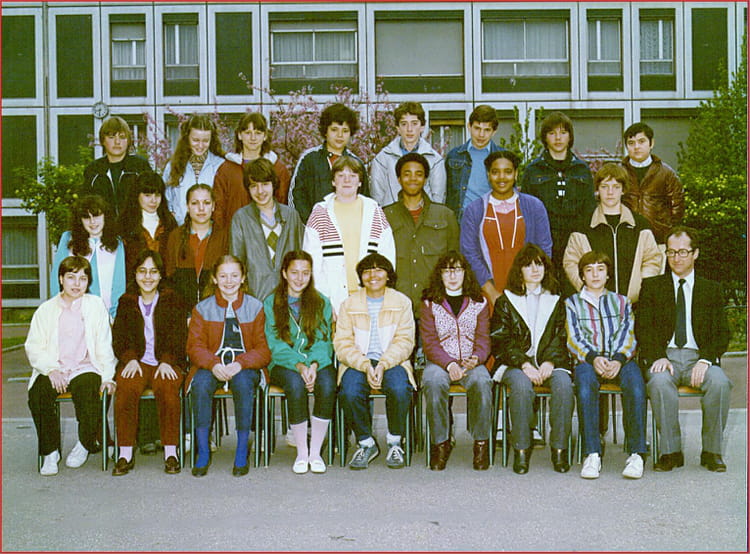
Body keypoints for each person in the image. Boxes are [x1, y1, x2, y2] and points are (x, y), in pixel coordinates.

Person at [637, 226, 731, 472]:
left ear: (695, 253)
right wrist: (657, 356)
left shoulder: (711, 289)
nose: (676, 258)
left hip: (698, 358)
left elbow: (722, 333)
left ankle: (711, 451)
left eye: (682, 252)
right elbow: (643, 329)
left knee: (720, 383)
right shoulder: (652, 287)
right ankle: (671, 452)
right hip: (665, 357)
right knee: (659, 383)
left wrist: (706, 360)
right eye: (671, 252)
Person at [26, 256, 117, 476]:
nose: (77, 284)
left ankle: (84, 443)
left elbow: (105, 345)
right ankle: (50, 452)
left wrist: (108, 376)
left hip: (85, 366)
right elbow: (33, 347)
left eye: (83, 279)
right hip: (54, 367)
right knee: (38, 394)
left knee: (89, 389)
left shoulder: (95, 306)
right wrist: (50, 369)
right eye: (71, 277)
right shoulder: (46, 310)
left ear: (88, 282)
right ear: (61, 279)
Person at [186, 255, 271, 477]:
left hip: (244, 366)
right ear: (214, 279)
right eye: (223, 276)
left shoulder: (255, 307)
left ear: (243, 278)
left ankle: (242, 449)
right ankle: (203, 450)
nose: (229, 281)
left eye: (234, 275)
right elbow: (194, 347)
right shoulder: (202, 308)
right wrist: (213, 364)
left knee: (243, 383)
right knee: (200, 384)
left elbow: (263, 350)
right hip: (212, 364)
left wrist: (240, 363)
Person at [491, 244, 573, 474]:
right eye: (528, 265)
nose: (535, 269)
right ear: (520, 270)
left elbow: (561, 336)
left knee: (564, 385)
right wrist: (525, 364)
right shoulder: (505, 301)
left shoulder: (556, 300)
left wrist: (550, 362)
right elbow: (501, 340)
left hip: (549, 362)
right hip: (515, 363)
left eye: (539, 264)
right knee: (521, 386)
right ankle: (521, 449)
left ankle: (559, 449)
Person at [565, 251, 646, 480]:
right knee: (584, 387)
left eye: (600, 269)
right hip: (588, 360)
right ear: (582, 275)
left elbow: (628, 333)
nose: (595, 275)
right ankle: (592, 453)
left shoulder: (621, 302)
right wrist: (593, 358)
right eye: (589, 270)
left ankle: (637, 453)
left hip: (620, 359)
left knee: (636, 385)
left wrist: (618, 359)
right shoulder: (572, 303)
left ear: (608, 274)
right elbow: (573, 338)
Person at [335, 253, 416, 470]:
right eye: (367, 270)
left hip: (393, 361)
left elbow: (405, 341)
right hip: (357, 362)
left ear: (388, 275)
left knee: (399, 388)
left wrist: (382, 364)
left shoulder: (402, 302)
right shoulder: (349, 304)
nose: (373, 275)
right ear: (360, 276)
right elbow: (342, 344)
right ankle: (365, 443)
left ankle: (395, 441)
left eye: (379, 269)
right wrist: (364, 365)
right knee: (349, 391)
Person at [111, 250, 186, 476]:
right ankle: (125, 453)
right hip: (137, 361)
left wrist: (168, 360)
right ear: (135, 274)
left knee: (167, 389)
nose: (147, 277)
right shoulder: (126, 301)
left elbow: (179, 336)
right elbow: (119, 337)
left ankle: (171, 452)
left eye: (153, 272)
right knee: (126, 387)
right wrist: (129, 358)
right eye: (142, 271)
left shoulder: (172, 299)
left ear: (161, 275)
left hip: (166, 361)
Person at [264, 251, 335, 474]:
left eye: (305, 273)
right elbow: (274, 343)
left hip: (316, 362)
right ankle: (302, 453)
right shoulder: (270, 302)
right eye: (294, 272)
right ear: (284, 273)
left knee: (327, 384)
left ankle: (315, 453)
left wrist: (313, 365)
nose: (300, 278)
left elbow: (324, 340)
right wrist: (299, 365)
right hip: (283, 364)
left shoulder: (321, 301)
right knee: (295, 385)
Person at [420, 251, 493, 471]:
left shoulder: (479, 301)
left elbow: (484, 338)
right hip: (440, 361)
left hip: (471, 361)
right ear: (440, 274)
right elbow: (429, 342)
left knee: (482, 381)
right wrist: (449, 364)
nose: (452, 276)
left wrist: (476, 358)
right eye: (447, 270)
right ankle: (440, 443)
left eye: (457, 270)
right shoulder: (429, 302)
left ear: (465, 273)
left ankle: (481, 443)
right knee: (433, 381)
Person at [303, 156, 395, 315]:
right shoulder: (320, 212)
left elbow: (387, 255)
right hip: (332, 297)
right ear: (333, 181)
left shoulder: (374, 211)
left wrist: (381, 291)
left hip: (370, 295)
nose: (347, 180)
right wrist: (323, 301)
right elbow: (312, 261)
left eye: (352, 176)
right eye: (341, 175)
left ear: (360, 182)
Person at [461, 150, 552, 307]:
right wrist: (490, 292)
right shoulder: (474, 210)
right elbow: (469, 252)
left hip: (528, 290)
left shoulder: (534, 206)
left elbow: (544, 249)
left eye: (508, 172)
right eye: (495, 172)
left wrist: (531, 286)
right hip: (487, 292)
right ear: (488, 175)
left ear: (516, 174)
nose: (501, 177)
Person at [563, 163, 663, 304]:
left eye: (616, 187)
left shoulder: (639, 225)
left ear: (623, 190)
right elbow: (571, 262)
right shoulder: (582, 226)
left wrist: (641, 288)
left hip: (633, 305)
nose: (610, 192)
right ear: (597, 189)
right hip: (595, 305)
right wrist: (588, 290)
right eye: (604, 187)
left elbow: (652, 259)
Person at [519, 111, 595, 291]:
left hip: (575, 245)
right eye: (552, 133)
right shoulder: (533, 170)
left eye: (563, 132)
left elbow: (589, 209)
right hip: (544, 245)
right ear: (545, 138)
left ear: (570, 136)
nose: (558, 138)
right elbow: (526, 212)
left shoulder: (582, 169)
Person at [383, 152, 459, 312]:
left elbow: (455, 260)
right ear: (398, 179)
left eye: (418, 174)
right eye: (407, 174)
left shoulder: (445, 215)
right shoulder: (385, 215)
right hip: (396, 304)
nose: (413, 179)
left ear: (425, 179)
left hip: (436, 304)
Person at [230, 158, 304, 301]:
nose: (260, 191)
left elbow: (301, 256)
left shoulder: (291, 216)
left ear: (273, 184)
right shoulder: (241, 218)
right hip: (255, 298)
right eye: (254, 186)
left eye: (265, 184)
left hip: (289, 297)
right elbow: (236, 263)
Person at [288, 103, 370, 222]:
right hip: (313, 227)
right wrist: (312, 224)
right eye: (334, 130)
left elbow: (364, 199)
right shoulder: (309, 159)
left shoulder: (356, 163)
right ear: (325, 131)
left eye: (345, 131)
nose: (340, 135)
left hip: (348, 227)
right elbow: (296, 196)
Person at [50, 195, 126, 321]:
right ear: (80, 220)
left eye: (96, 216)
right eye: (86, 217)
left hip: (105, 315)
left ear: (105, 216)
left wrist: (114, 317)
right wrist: (61, 310)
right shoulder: (68, 239)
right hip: (71, 314)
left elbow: (119, 283)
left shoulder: (116, 243)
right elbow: (56, 279)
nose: (92, 222)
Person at [213, 112, 292, 229]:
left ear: (265, 136)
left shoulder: (277, 168)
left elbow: (284, 205)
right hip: (235, 234)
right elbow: (218, 209)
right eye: (248, 133)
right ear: (239, 135)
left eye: (258, 133)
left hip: (269, 235)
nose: (253, 138)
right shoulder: (226, 169)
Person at [165, 184, 228, 317]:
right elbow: (169, 278)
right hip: (182, 314)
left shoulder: (224, 236)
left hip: (216, 312)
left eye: (206, 203)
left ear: (213, 206)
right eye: (195, 203)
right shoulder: (175, 237)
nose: (201, 208)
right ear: (187, 207)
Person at [370, 101, 446, 206]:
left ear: (422, 127)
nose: (409, 129)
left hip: (424, 215)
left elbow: (438, 200)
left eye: (414, 123)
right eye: (404, 124)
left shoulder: (435, 160)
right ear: (398, 128)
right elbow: (377, 198)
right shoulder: (382, 159)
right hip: (391, 215)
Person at [621, 122, 685, 244]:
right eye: (631, 143)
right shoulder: (619, 173)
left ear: (651, 143)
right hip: (626, 239)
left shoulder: (666, 173)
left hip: (659, 240)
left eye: (641, 141)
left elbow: (677, 206)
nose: (636, 147)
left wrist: (669, 232)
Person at [81, 116, 152, 216]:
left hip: (136, 224)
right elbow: (85, 205)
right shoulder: (93, 170)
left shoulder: (140, 166)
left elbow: (153, 199)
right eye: (111, 137)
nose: (117, 142)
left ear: (128, 141)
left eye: (122, 137)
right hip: (103, 225)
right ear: (103, 140)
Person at [445, 104, 505, 219]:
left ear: (494, 132)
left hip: (492, 219)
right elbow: (446, 193)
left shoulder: (503, 158)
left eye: (487, 130)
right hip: (460, 220)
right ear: (469, 126)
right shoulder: (454, 156)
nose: (481, 135)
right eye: (477, 128)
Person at [164, 114, 226, 223]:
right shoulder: (173, 166)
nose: (200, 145)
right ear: (187, 138)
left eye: (205, 140)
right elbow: (166, 200)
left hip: (213, 230)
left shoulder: (221, 165)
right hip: (181, 229)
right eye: (196, 140)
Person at [120, 171, 178, 278]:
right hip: (133, 283)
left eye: (157, 195)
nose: (153, 200)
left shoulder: (169, 223)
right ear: (137, 195)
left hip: (165, 283)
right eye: (147, 195)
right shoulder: (125, 224)